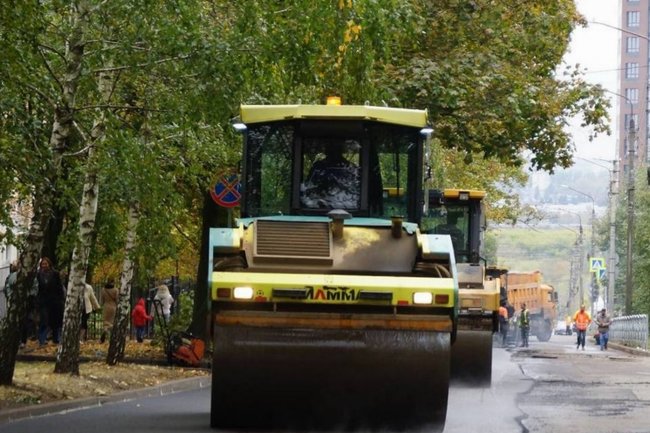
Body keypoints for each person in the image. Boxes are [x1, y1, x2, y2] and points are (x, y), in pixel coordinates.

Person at [301, 140, 360, 209]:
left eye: (335, 148)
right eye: (330, 148)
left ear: (340, 150)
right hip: (318, 208)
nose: (333, 151)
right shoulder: (318, 167)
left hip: (348, 208)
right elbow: (309, 187)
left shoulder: (351, 168)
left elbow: (355, 191)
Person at [36, 257, 65, 346]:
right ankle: (42, 340)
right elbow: (38, 288)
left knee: (55, 321)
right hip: (43, 301)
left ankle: (56, 339)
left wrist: (61, 299)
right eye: (42, 264)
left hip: (54, 301)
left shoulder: (55, 274)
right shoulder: (38, 275)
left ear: (49, 264)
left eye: (46, 264)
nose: (44, 266)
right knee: (44, 320)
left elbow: (59, 287)